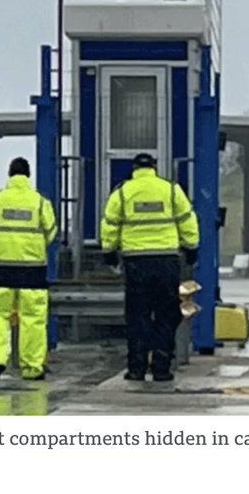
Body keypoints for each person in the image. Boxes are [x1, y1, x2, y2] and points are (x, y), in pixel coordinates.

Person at [100, 153, 200, 382]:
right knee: (166, 314)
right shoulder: (172, 190)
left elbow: (110, 225)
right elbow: (188, 221)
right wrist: (191, 249)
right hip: (167, 261)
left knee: (138, 316)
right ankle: (162, 367)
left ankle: (136, 368)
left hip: (135, 262)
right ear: (154, 167)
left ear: (134, 169)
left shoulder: (122, 193)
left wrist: (109, 254)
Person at [0, 157, 57, 381]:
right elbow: (50, 231)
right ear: (28, 175)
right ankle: (32, 367)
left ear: (9, 175)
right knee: (33, 320)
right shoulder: (40, 202)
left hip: (2, 269)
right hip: (33, 271)